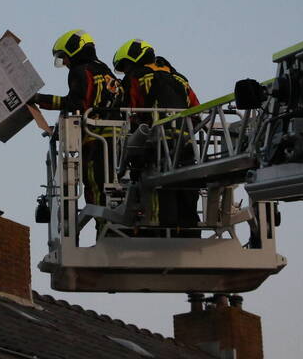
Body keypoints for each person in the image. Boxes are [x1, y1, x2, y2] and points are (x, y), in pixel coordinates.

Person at [112, 39, 201, 237]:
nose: (125, 71)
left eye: (125, 66)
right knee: (187, 193)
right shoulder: (180, 79)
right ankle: (189, 238)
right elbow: (196, 112)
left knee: (157, 193)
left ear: (134, 59)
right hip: (184, 147)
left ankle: (157, 235)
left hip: (153, 147)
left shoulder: (135, 78)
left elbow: (127, 112)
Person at [33, 29, 122, 215]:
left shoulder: (79, 71)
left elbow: (75, 102)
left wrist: (38, 99)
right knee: (116, 187)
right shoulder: (105, 71)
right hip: (119, 138)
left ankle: (104, 230)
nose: (64, 62)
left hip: (95, 140)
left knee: (96, 187)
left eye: (64, 57)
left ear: (74, 50)